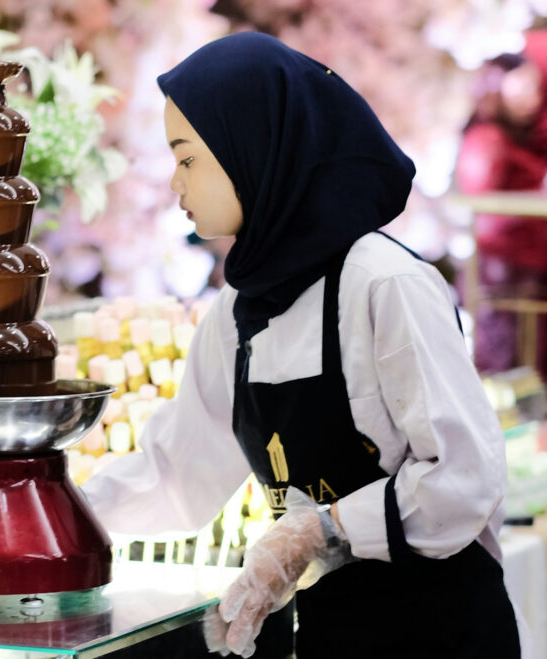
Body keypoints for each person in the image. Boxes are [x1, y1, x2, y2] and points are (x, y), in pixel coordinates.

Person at [82, 32, 526, 658]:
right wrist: (51, 517)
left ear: (254, 150)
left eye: (188, 159)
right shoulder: (237, 309)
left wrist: (322, 529)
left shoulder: (385, 284)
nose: (175, 183)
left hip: (444, 630)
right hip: (335, 631)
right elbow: (175, 471)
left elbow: (463, 478)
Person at [455, 32, 547, 376]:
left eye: (535, 88)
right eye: (522, 88)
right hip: (501, 271)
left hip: (524, 268)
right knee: (508, 367)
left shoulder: (521, 137)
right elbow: (482, 198)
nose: (531, 99)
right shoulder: (487, 139)